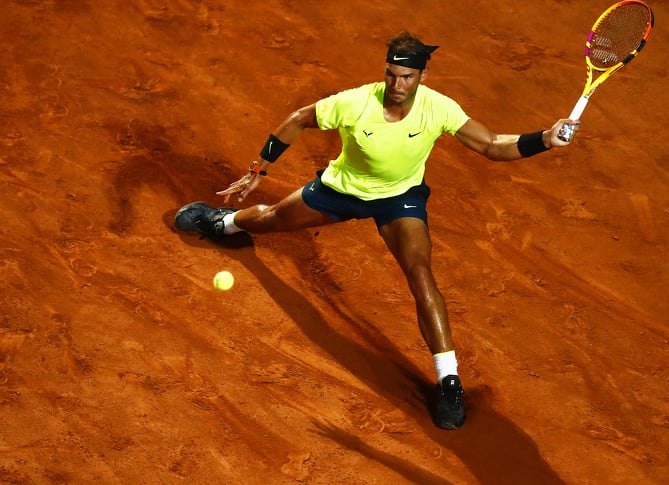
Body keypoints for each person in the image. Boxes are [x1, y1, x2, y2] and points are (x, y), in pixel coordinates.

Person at [175, 31, 580, 430]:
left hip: (399, 199)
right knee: (271, 220)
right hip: (342, 190)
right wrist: (258, 169)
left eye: (406, 77)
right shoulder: (355, 102)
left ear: (423, 77)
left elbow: (492, 144)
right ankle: (224, 222)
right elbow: (300, 118)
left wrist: (545, 139)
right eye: (391, 74)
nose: (396, 85)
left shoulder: (438, 108)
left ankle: (449, 380)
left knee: (421, 276)